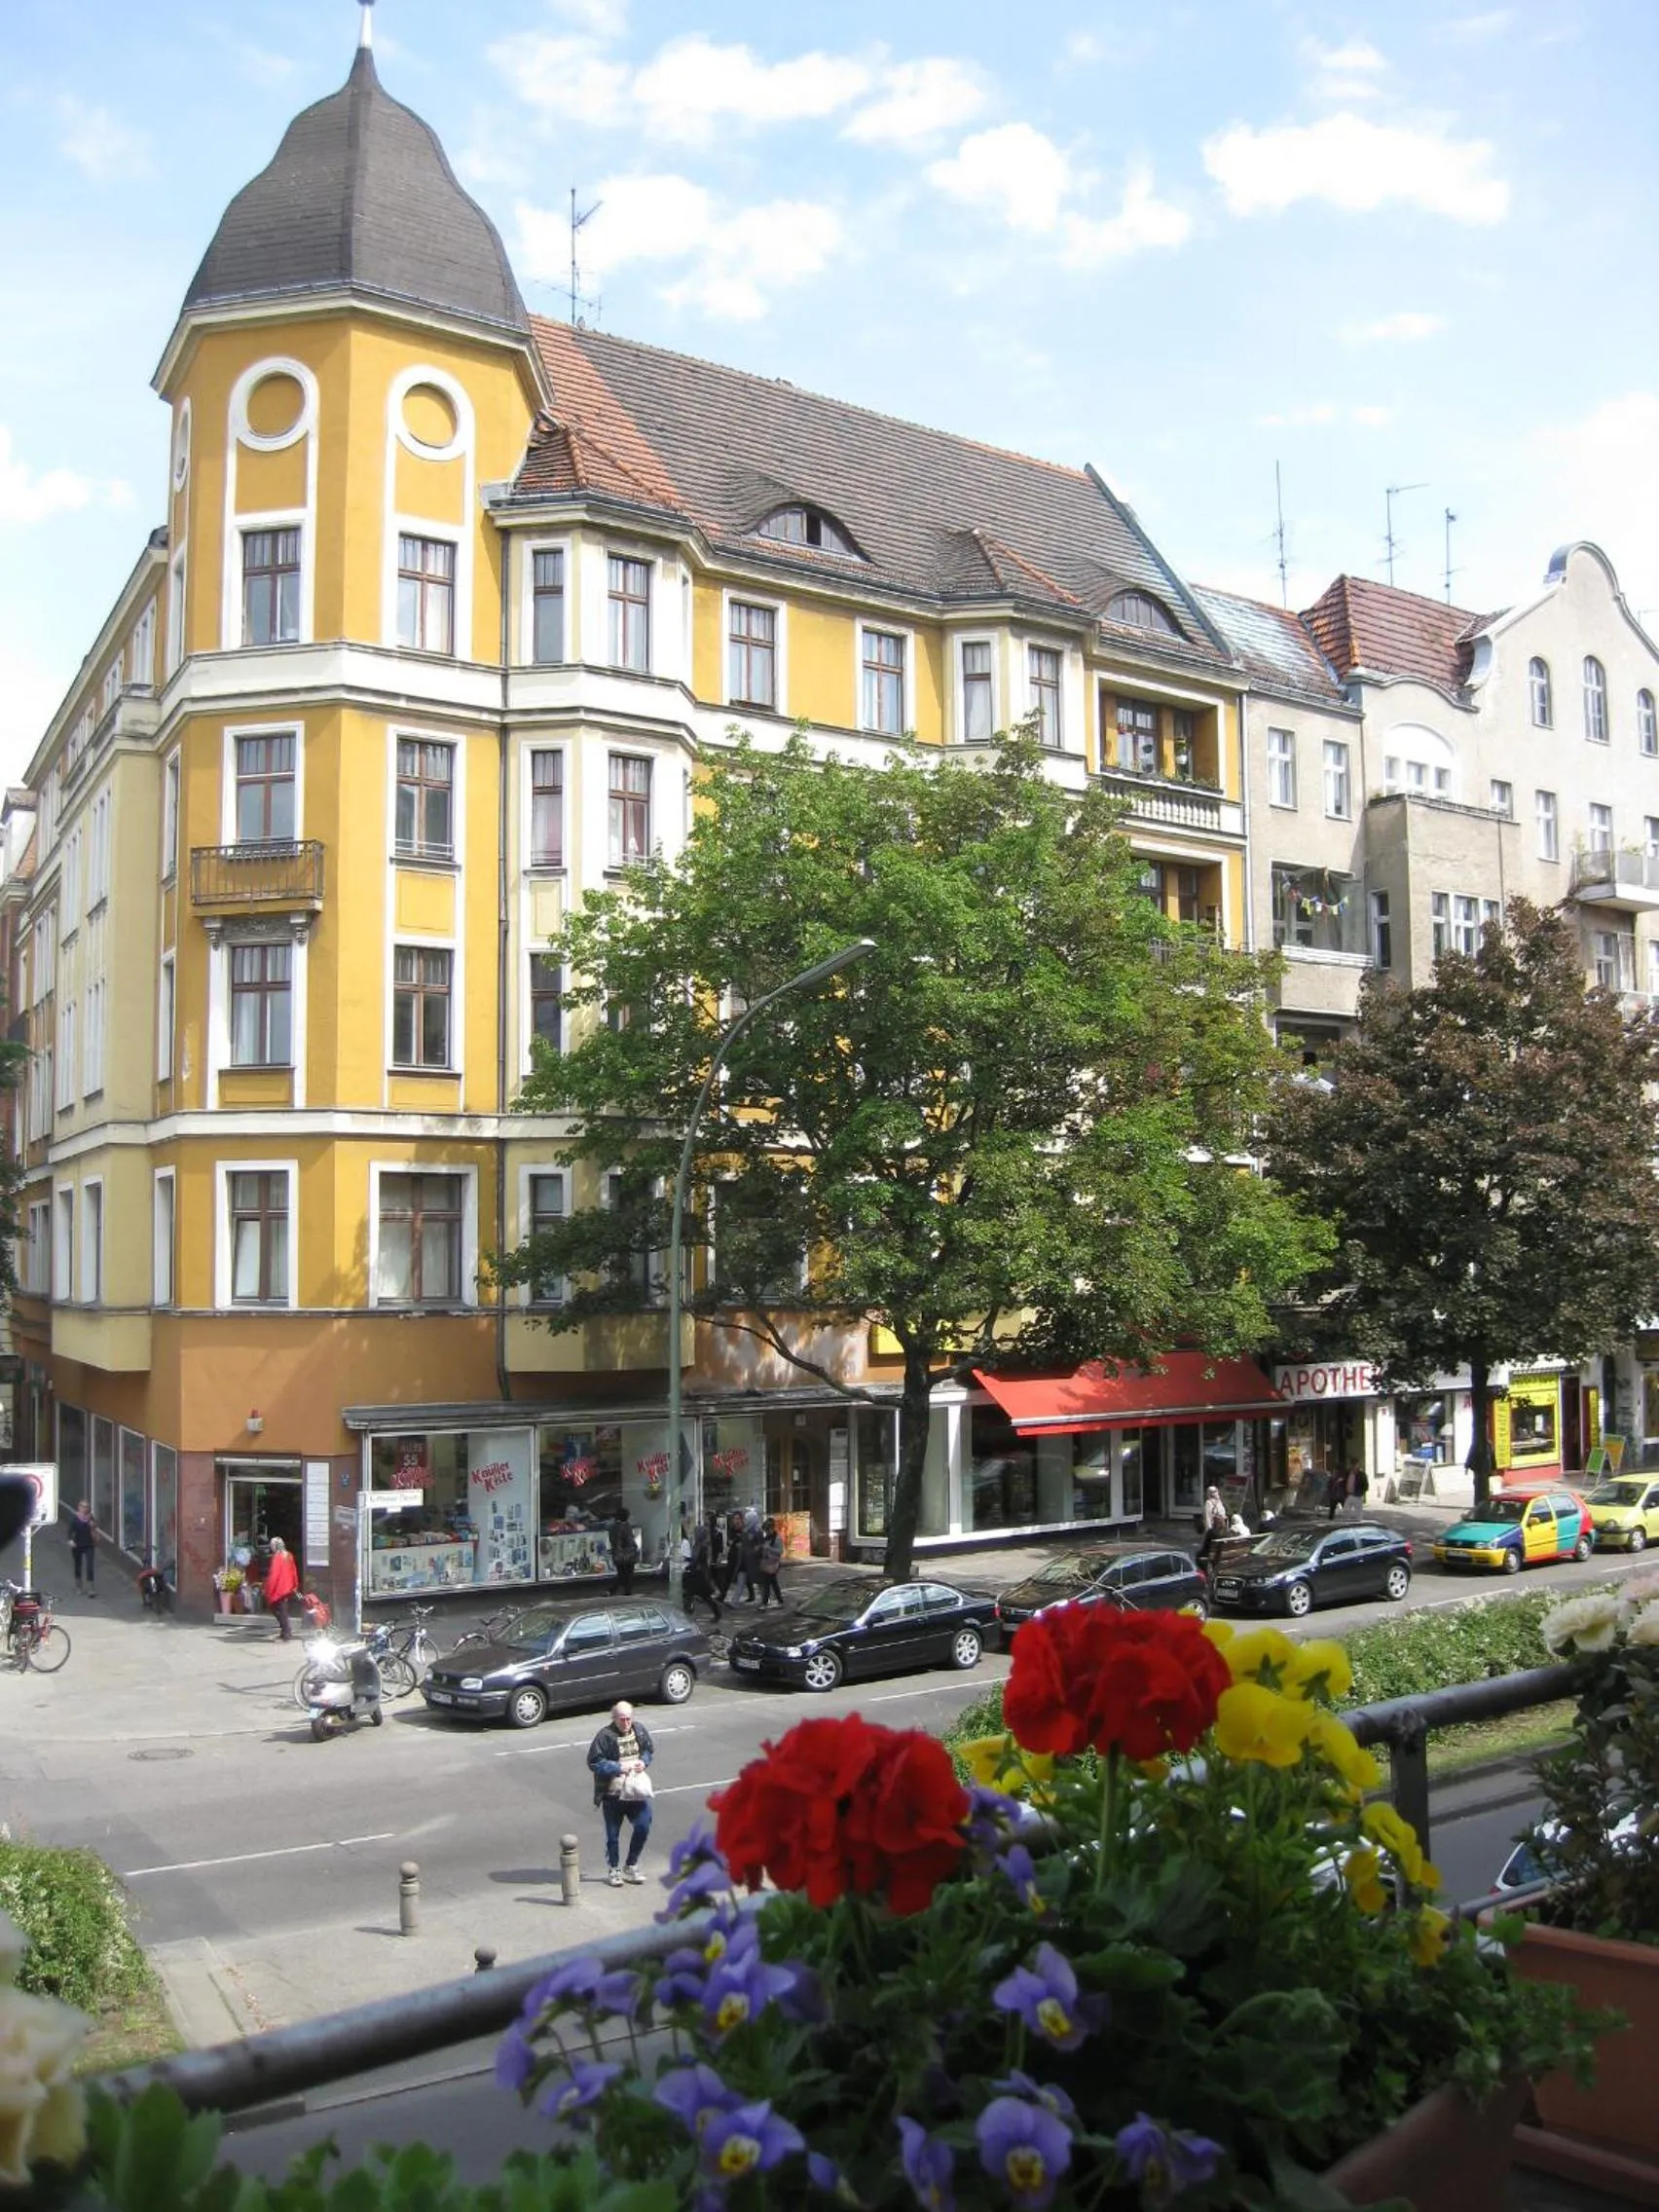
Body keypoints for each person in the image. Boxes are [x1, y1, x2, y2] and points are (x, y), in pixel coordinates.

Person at [586, 1699, 654, 1886]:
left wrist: (643, 1762)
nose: (626, 1723)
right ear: (614, 1718)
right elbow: (594, 1762)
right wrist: (618, 1767)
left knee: (643, 1825)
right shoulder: (605, 1736)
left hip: (636, 1792)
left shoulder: (639, 1729)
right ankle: (614, 1869)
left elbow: (648, 1749)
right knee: (613, 1835)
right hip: (613, 1795)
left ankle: (631, 1864)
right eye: (622, 1719)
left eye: (629, 1719)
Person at [681, 1519, 721, 1625]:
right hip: (696, 1574)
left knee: (704, 1596)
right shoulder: (697, 1545)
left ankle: (717, 1614)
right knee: (689, 1594)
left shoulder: (702, 1547)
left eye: (695, 1533)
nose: (694, 1534)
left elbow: (698, 1561)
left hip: (700, 1575)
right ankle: (688, 1613)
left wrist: (689, 1564)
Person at [263, 1535, 300, 1641]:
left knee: (276, 1609)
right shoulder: (289, 1555)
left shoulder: (277, 1557)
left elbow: (274, 1574)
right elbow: (294, 1572)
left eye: (272, 1545)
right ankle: (285, 1631)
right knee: (282, 1609)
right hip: (287, 1587)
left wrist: (268, 1587)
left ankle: (286, 1632)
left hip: (279, 1587)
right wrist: (295, 1585)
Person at [67, 1500, 97, 1594]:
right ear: (79, 1507)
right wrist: (70, 1541)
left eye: (87, 1507)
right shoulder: (75, 1518)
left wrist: (93, 1526)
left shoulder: (90, 1517)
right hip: (77, 1545)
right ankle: (78, 1587)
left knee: (90, 1566)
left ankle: (91, 1589)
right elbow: (69, 1531)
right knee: (78, 1565)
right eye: (83, 1506)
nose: (85, 1509)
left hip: (89, 1544)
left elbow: (95, 1528)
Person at [610, 1507, 640, 1596]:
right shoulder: (627, 1527)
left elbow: (614, 1541)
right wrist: (635, 1549)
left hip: (617, 1555)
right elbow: (629, 1541)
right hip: (628, 1555)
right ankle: (626, 1593)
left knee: (621, 1575)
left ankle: (611, 1590)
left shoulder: (613, 1527)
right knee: (628, 1576)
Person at [1198, 1485, 1229, 1567]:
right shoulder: (1219, 1502)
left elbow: (1207, 1518)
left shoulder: (1209, 1503)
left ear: (1208, 1493)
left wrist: (1209, 1531)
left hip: (1214, 1532)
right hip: (1221, 1531)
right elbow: (1223, 1515)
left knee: (1206, 1550)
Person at [756, 1519, 785, 1607]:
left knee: (767, 1583)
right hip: (767, 1564)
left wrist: (769, 1548)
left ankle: (764, 1603)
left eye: (767, 1530)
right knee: (772, 1583)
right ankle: (780, 1601)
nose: (766, 1532)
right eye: (765, 1530)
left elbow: (780, 1551)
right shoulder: (767, 1538)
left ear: (772, 1528)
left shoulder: (777, 1538)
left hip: (774, 1564)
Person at [734, 1516, 761, 1604]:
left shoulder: (757, 1532)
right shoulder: (746, 1531)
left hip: (754, 1562)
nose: (745, 1521)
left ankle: (766, 1599)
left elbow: (759, 1546)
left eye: (747, 1519)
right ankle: (734, 1602)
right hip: (744, 1561)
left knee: (760, 1582)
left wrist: (752, 1552)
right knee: (741, 1582)